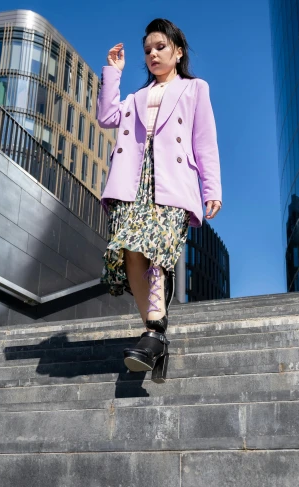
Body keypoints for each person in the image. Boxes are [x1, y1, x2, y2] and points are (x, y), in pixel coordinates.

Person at [97, 18, 222, 383]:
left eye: (161, 47)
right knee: (129, 251)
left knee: (155, 252)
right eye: (148, 50)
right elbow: (106, 116)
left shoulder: (195, 89)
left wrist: (211, 187)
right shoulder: (136, 97)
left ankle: (153, 331)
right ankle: (155, 338)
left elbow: (205, 141)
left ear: (178, 51)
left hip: (171, 181)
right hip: (131, 182)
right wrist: (113, 72)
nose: (153, 54)